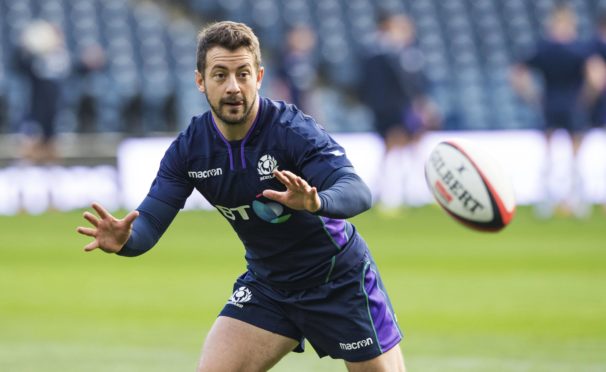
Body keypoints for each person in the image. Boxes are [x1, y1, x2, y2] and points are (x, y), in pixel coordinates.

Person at [76, 21, 405, 371]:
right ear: (200, 81)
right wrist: (126, 240)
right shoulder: (191, 149)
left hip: (337, 282)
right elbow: (151, 221)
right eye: (220, 75)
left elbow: (357, 191)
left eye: (243, 74)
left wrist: (316, 202)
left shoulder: (293, 130)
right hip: (269, 287)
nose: (233, 87)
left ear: (259, 77)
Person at [511, 4, 594, 218]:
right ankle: (576, 203)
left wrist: (531, 96)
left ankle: (546, 203)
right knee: (574, 156)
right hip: (572, 105)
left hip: (549, 103)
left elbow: (517, 73)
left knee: (549, 155)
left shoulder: (543, 49)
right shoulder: (579, 49)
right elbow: (596, 78)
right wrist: (585, 100)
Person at [359, 13, 440, 211]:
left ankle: (412, 193)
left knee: (410, 150)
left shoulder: (407, 54)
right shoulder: (381, 56)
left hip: (404, 109)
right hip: (391, 111)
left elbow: (416, 85)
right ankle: (389, 196)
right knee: (394, 150)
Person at [15, 20, 70, 164]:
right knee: (30, 145)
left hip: (53, 111)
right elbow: (19, 65)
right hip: (35, 109)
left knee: (50, 149)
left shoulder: (60, 58)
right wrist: (26, 48)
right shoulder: (34, 61)